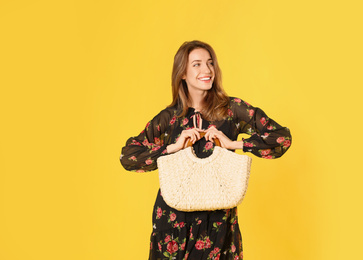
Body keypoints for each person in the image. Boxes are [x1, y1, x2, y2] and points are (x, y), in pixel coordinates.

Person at [120, 40, 292, 260]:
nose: (207, 70)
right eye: (197, 64)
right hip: (174, 222)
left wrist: (233, 144)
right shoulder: (170, 117)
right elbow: (128, 156)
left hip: (218, 222)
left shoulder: (231, 110)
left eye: (210, 63)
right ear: (182, 72)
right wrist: (173, 148)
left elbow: (281, 138)